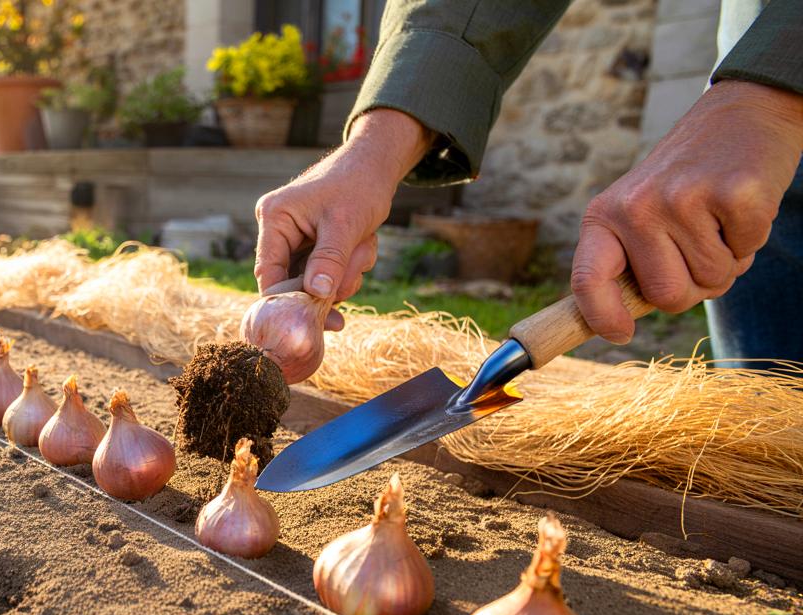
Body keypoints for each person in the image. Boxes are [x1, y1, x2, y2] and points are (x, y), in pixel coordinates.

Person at [254, 0, 803, 371]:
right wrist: (373, 149)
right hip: (754, 59)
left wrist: (767, 96)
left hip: (766, 74)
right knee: (770, 445)